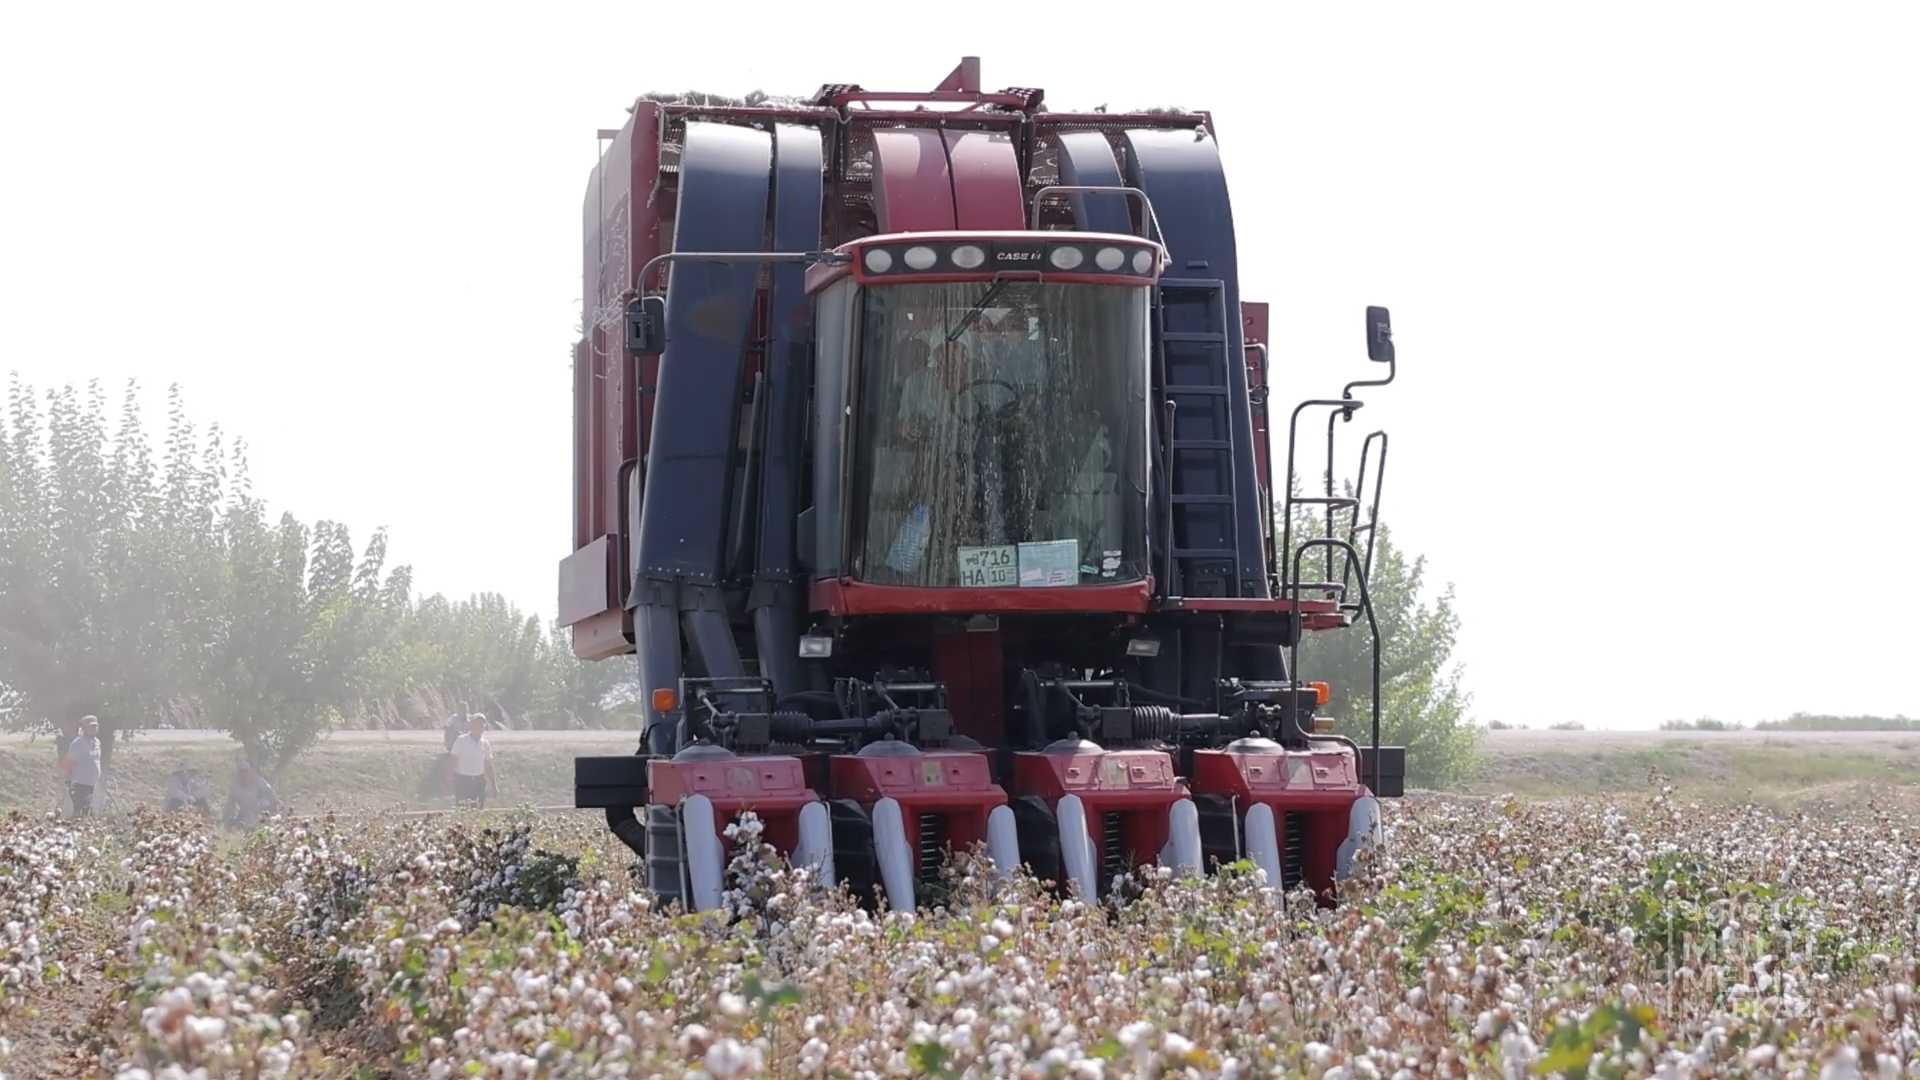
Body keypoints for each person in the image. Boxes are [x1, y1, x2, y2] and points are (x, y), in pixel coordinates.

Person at [449, 712, 498, 809]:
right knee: (462, 809)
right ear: (471, 725)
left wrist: (494, 785)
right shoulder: (461, 740)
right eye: (477, 724)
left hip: (479, 781)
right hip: (463, 781)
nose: (480, 727)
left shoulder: (485, 743)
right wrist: (449, 779)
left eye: (482, 724)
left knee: (478, 809)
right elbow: (453, 760)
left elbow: (488, 765)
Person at [57, 716, 102, 818]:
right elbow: (68, 763)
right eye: (91, 727)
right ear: (84, 728)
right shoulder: (77, 744)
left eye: (95, 726)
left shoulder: (97, 743)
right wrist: (67, 779)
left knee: (86, 811)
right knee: (81, 811)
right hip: (79, 784)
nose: (94, 729)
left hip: (91, 785)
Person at [223, 761, 281, 828]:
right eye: (241, 772)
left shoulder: (260, 782)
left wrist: (273, 813)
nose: (244, 775)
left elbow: (274, 799)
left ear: (250, 771)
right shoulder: (235, 788)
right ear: (238, 774)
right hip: (245, 818)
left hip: (263, 816)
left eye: (246, 771)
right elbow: (230, 807)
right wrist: (226, 821)